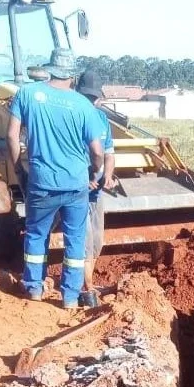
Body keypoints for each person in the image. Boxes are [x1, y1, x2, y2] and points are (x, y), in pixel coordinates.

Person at [7, 48, 104, 308]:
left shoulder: (27, 94)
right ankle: (70, 298)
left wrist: (19, 169)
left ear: (50, 69)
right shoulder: (84, 105)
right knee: (75, 240)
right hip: (75, 185)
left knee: (37, 235)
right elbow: (97, 151)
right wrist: (94, 173)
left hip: (42, 183)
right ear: (72, 75)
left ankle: (34, 290)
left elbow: (12, 136)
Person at [75, 69, 115, 308]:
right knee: (85, 240)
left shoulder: (102, 120)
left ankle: (86, 282)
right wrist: (85, 176)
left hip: (97, 189)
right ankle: (86, 289)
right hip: (77, 187)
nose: (91, 102)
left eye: (93, 98)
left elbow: (108, 154)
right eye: (86, 97)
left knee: (97, 240)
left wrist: (107, 176)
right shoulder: (72, 115)